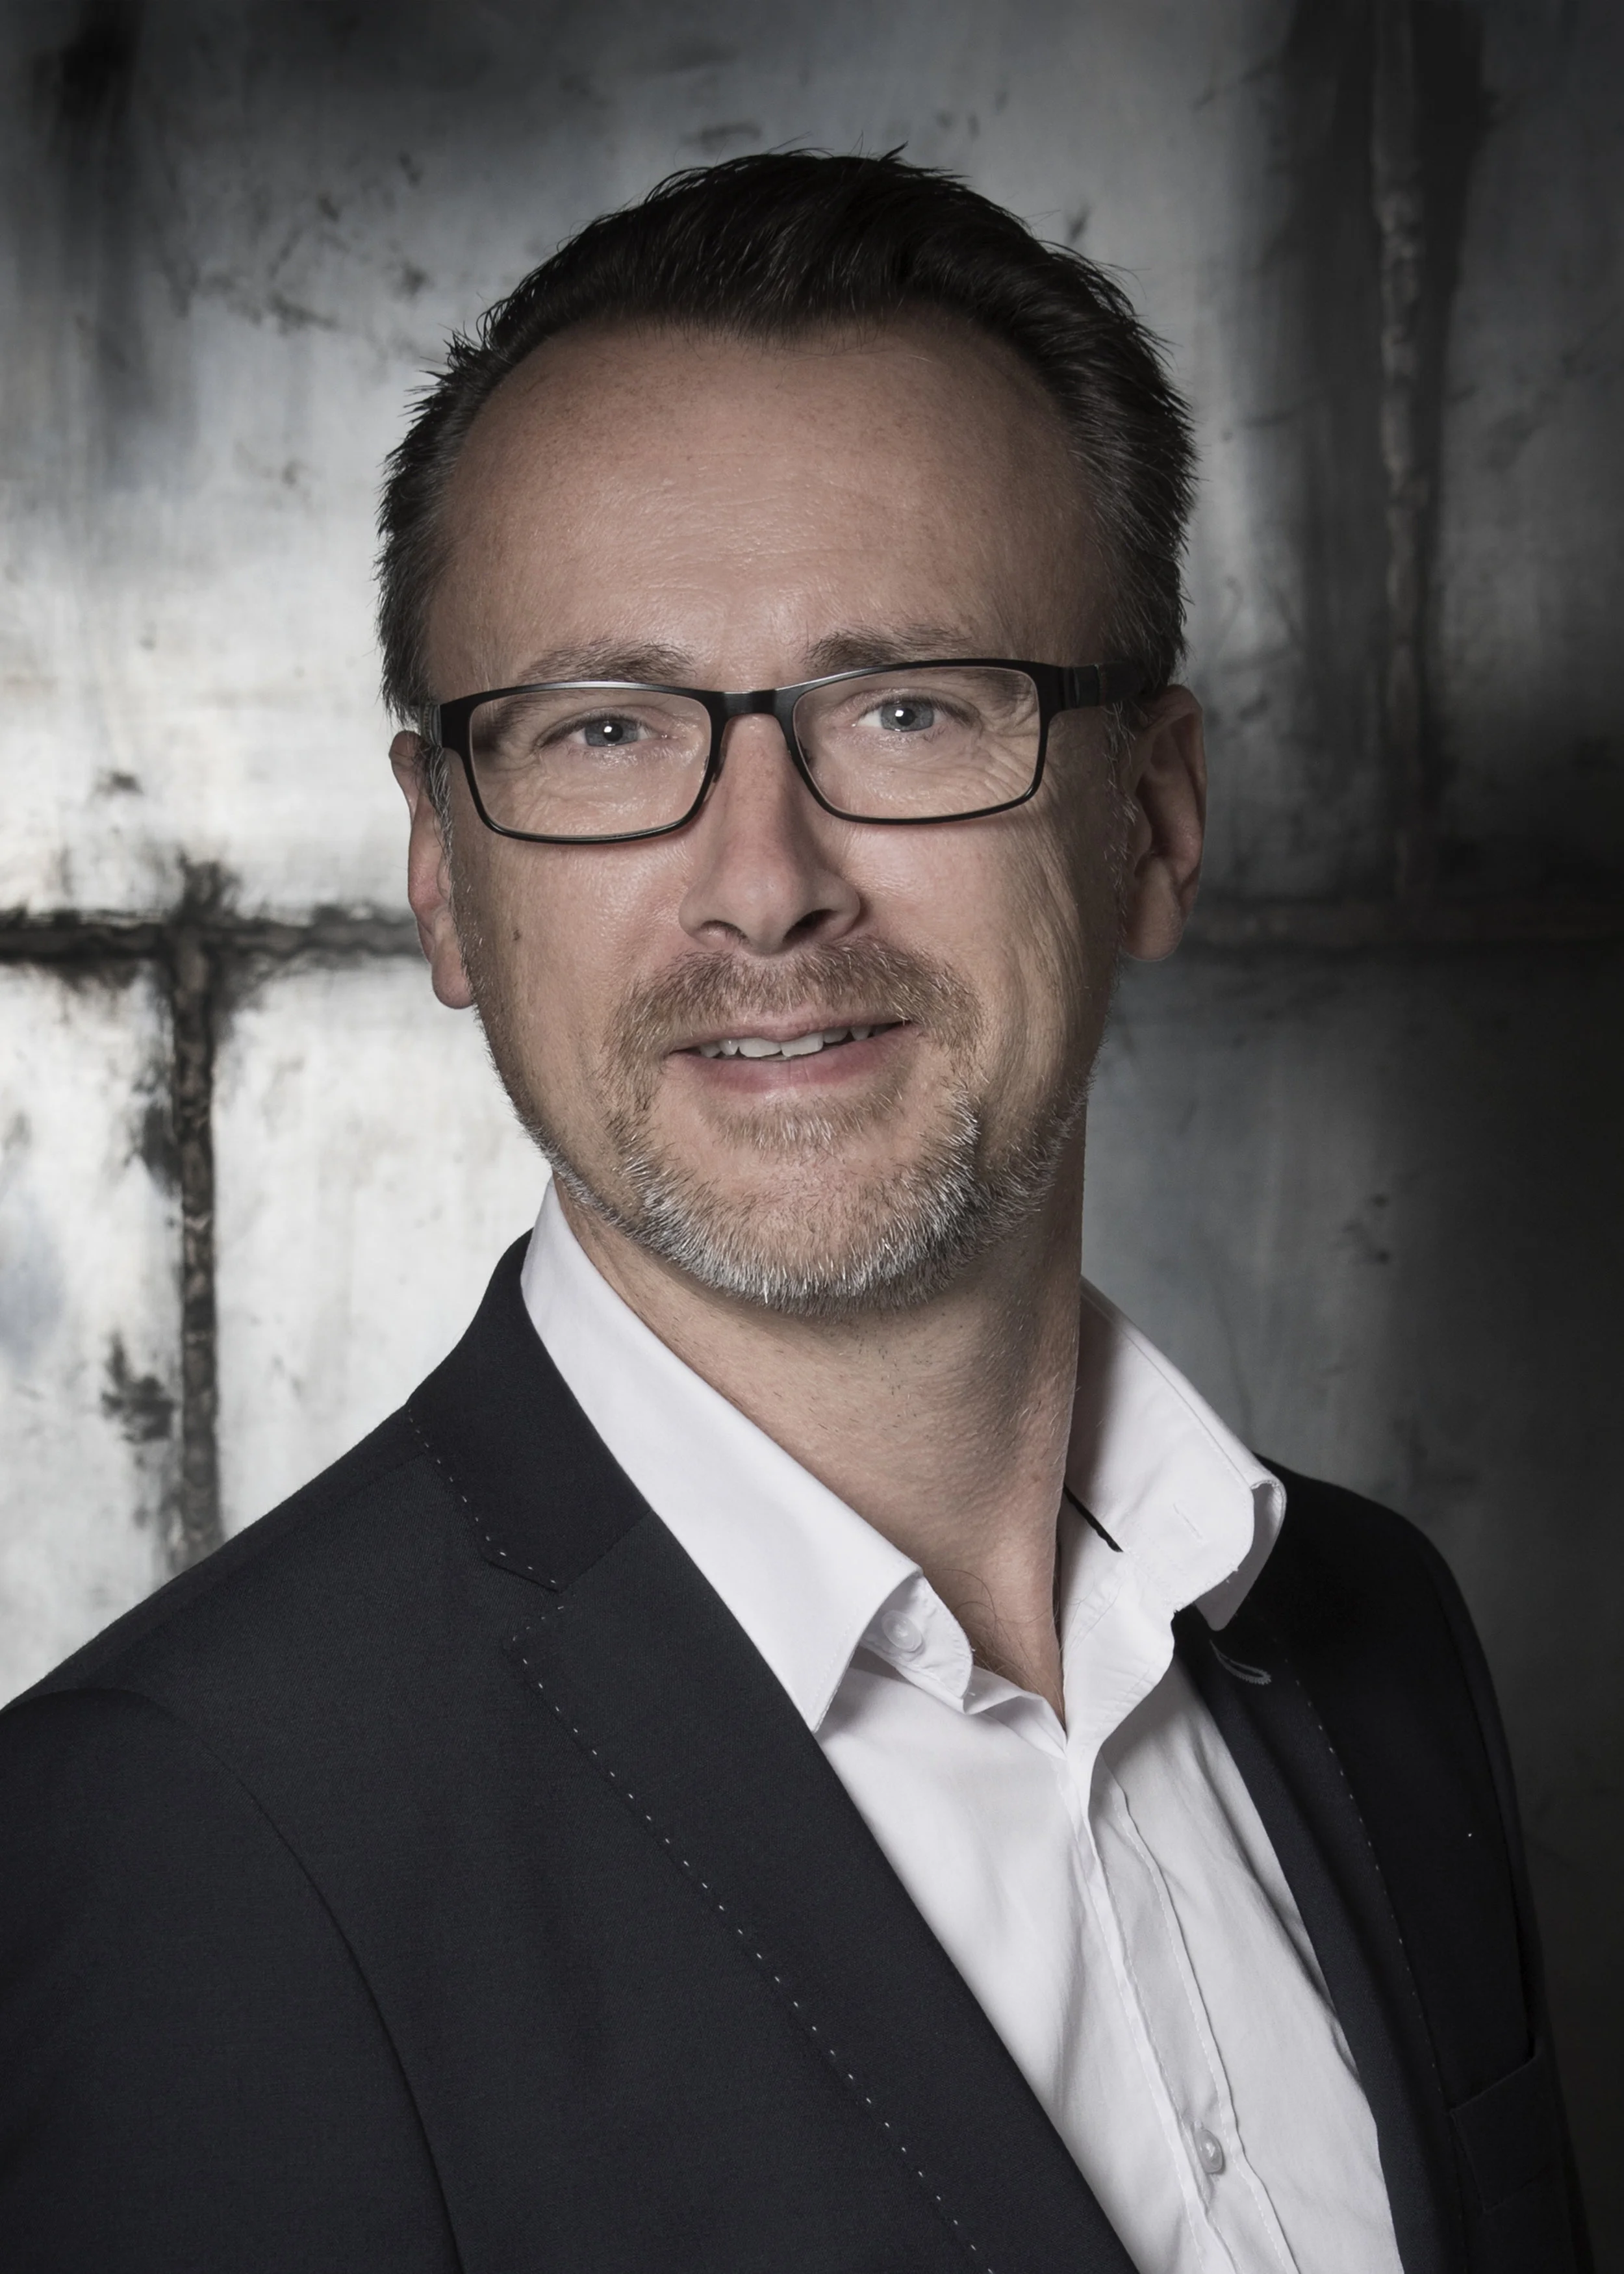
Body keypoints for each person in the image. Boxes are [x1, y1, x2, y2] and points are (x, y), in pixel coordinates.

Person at [0, 152, 1588, 2274]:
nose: (763, 885)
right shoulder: (187, 1837)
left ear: (1149, 818)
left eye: (907, 708)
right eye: (601, 729)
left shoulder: (1371, 1639)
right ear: (444, 874)